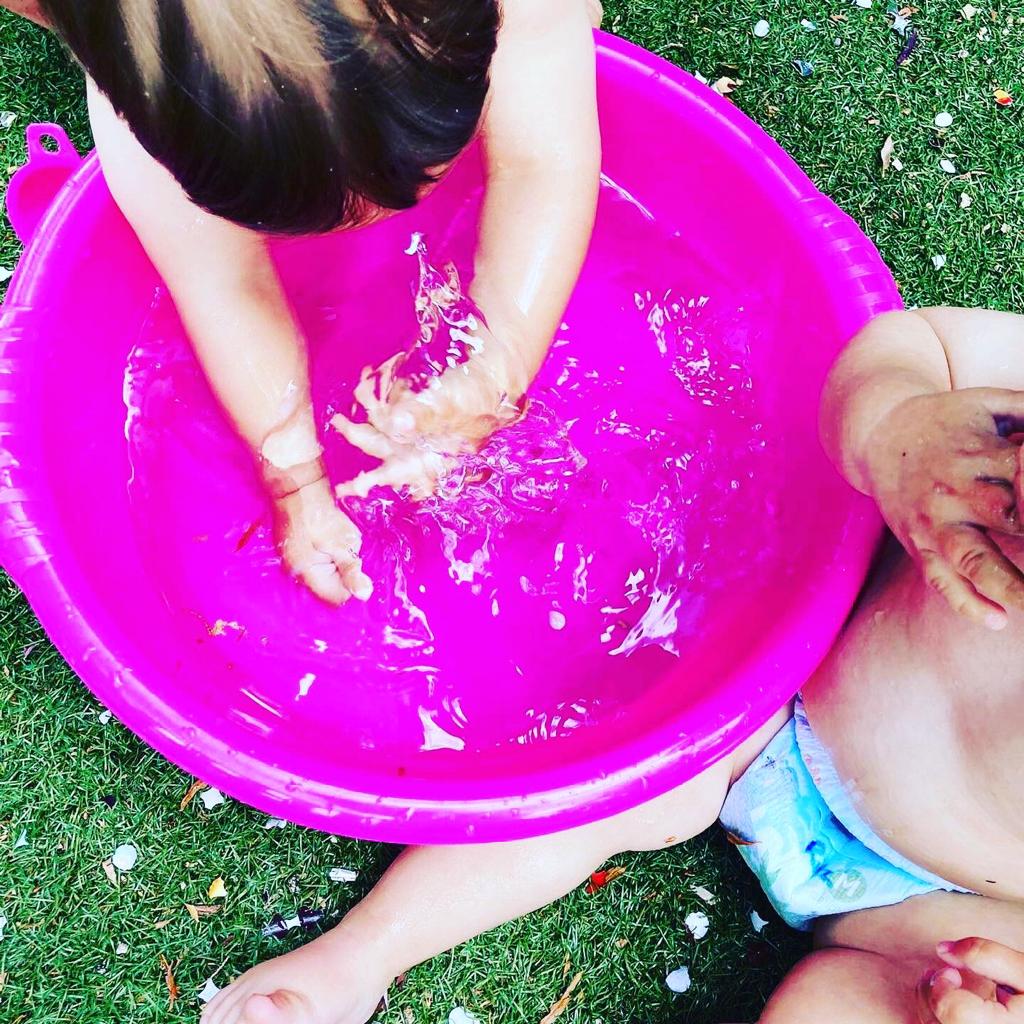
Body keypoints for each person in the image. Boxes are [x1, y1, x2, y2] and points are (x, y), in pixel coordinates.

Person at [199, 307, 1024, 1024]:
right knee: (616, 779)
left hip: (931, 904)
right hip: (786, 670)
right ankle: (362, 954)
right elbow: (912, 343)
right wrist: (897, 425)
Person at [1, 0, 603, 604]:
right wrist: (296, 479)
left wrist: (494, 368)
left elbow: (543, 164)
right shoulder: (146, 146)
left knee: (553, 33)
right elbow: (224, 285)